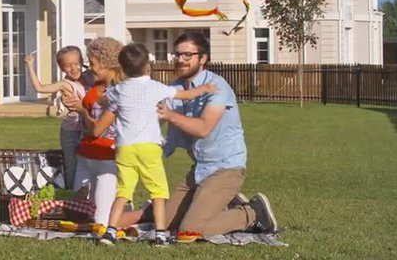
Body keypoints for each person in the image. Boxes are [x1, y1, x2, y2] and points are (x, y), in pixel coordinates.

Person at [119, 31, 278, 239]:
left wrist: (170, 115)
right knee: (164, 222)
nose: (180, 60)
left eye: (187, 55)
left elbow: (204, 128)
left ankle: (251, 213)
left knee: (191, 230)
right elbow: (151, 116)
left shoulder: (217, 87)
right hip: (199, 169)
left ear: (202, 59)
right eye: (177, 55)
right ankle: (217, 203)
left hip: (226, 167)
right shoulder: (175, 88)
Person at [89, 43, 215, 246]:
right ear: (147, 66)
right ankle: (160, 233)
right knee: (158, 193)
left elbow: (102, 100)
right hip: (149, 147)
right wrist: (205, 88)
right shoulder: (156, 88)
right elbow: (184, 95)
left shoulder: (119, 90)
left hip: (125, 148)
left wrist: (106, 99)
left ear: (122, 68)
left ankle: (110, 232)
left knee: (123, 192)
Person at [62, 37, 123, 226]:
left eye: (93, 63)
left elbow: (97, 130)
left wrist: (81, 110)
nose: (90, 68)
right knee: (80, 215)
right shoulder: (95, 86)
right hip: (86, 157)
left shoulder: (120, 91)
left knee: (100, 221)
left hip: (107, 159)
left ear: (106, 63)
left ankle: (146, 214)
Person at [25, 46, 92, 190]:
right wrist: (30, 65)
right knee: (71, 165)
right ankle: (71, 195)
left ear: (82, 62)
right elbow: (40, 88)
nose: (73, 69)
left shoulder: (89, 77)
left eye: (76, 64)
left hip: (89, 127)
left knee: (89, 164)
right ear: (62, 68)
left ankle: (86, 195)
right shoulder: (65, 84)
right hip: (71, 131)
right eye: (68, 66)